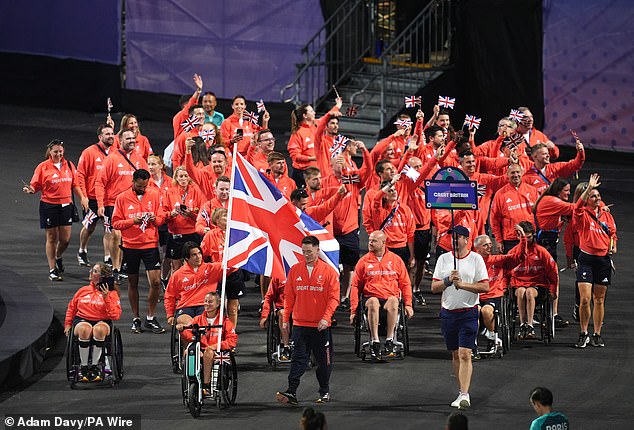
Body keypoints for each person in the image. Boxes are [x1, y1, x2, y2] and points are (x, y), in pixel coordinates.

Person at [276, 236, 340, 406]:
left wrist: (326, 318)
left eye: (310, 252)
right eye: (304, 252)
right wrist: (286, 319)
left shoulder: (329, 272)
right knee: (298, 359)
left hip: (320, 327)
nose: (307, 255)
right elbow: (289, 297)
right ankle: (291, 391)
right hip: (300, 325)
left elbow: (334, 298)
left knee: (323, 362)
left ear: (318, 250)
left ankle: (324, 391)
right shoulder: (295, 270)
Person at [431, 225, 489, 410]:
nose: (454, 241)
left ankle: (465, 393)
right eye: (452, 238)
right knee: (455, 354)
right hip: (448, 313)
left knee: (465, 353)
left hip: (469, 312)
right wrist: (448, 281)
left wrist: (462, 285)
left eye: (458, 238)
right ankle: (461, 390)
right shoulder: (443, 259)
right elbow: (434, 287)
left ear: (467, 239)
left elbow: (485, 287)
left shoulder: (476, 259)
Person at [111, 169, 166, 334]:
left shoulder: (155, 195)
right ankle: (136, 318)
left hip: (150, 244)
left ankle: (150, 317)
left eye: (145, 185)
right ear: (133, 181)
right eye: (140, 185)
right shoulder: (122, 198)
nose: (143, 188)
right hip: (130, 246)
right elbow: (115, 223)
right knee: (132, 283)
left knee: (156, 282)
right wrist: (132, 221)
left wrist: (154, 219)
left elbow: (161, 218)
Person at [23, 139, 86, 281]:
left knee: (65, 239)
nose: (58, 154)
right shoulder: (43, 167)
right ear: (50, 152)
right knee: (52, 237)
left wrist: (82, 197)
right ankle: (52, 269)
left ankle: (58, 256)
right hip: (49, 206)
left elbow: (75, 184)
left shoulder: (69, 165)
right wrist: (31, 190)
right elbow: (35, 185)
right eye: (55, 152)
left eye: (60, 152)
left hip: (66, 206)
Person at [95, 128, 149, 282]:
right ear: (120, 141)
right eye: (128, 139)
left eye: (133, 138)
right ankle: (116, 267)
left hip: (132, 203)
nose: (132, 141)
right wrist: (100, 204)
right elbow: (100, 182)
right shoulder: (112, 159)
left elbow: (148, 182)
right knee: (116, 235)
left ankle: (123, 265)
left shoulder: (139, 159)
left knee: (126, 237)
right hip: (112, 203)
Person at [350, 231, 413, 360]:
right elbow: (355, 286)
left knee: (394, 301)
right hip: (371, 297)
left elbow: (405, 284)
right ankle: (375, 341)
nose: (370, 243)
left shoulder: (396, 260)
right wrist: (353, 310)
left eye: (374, 241)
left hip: (390, 297)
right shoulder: (363, 262)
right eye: (369, 240)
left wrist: (408, 304)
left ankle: (390, 339)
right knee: (373, 301)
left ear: (384, 243)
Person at [573, 174, 617, 348]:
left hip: (603, 260)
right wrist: (588, 187)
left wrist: (614, 245)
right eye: (593, 196)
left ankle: (597, 334)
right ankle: (583, 333)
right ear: (587, 199)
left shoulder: (607, 215)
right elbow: (576, 208)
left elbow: (613, 233)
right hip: (586, 259)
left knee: (599, 300)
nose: (597, 198)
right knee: (584, 299)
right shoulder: (582, 214)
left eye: (598, 196)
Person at [64, 263, 122, 382]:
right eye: (92, 270)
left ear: (102, 277)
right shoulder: (82, 291)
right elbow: (71, 308)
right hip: (82, 319)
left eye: (95, 271)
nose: (91, 272)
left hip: (102, 321)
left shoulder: (112, 293)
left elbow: (115, 316)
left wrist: (106, 298)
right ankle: (84, 367)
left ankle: (95, 367)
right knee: (85, 329)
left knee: (98, 330)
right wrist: (68, 324)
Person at [474, 228, 526, 352]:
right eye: (485, 245)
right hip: (475, 296)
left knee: (486, 311)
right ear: (477, 249)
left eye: (490, 244)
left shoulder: (498, 260)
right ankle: (472, 341)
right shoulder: (472, 262)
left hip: (493, 295)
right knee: (474, 311)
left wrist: (523, 239)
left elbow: (519, 257)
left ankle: (492, 339)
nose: (489, 247)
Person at [179, 291, 238, 396]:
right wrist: (182, 330)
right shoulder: (197, 320)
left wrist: (215, 346)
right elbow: (187, 332)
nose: (207, 304)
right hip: (201, 349)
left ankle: (206, 385)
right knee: (189, 351)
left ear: (218, 303)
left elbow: (232, 340)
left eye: (210, 302)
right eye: (205, 301)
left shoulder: (224, 321)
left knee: (208, 352)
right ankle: (191, 381)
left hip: (218, 351)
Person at [509, 221, 558, 340]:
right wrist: (505, 288)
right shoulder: (513, 252)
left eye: (529, 237)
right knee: (521, 291)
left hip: (537, 286)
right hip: (519, 285)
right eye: (523, 237)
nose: (527, 240)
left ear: (533, 236)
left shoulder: (541, 252)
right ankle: (522, 324)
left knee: (529, 292)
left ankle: (530, 325)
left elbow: (553, 272)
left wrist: (552, 290)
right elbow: (505, 273)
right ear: (518, 236)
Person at [76, 124, 115, 268]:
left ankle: (107, 258)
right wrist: (83, 197)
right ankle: (82, 250)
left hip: (108, 199)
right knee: (90, 226)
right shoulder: (89, 152)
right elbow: (80, 175)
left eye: (112, 133)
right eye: (107, 134)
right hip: (91, 198)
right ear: (100, 137)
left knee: (108, 228)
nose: (110, 136)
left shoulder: (115, 152)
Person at [164, 241, 223, 329]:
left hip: (205, 305)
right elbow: (170, 296)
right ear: (187, 258)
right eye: (194, 255)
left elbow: (232, 265)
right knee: (187, 325)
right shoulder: (177, 275)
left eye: (199, 253)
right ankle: (190, 342)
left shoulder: (212, 268)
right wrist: (170, 315)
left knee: (202, 322)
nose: (198, 257)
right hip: (185, 307)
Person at [490, 163, 539, 253]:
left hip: (530, 237)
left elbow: (539, 213)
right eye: (512, 173)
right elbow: (494, 219)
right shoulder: (500, 194)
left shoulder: (532, 191)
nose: (515, 175)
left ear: (522, 173)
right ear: (507, 175)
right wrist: (499, 240)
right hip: (510, 239)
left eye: (517, 172)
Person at [163, 166, 205, 271]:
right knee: (176, 266)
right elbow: (163, 214)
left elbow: (202, 216)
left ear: (189, 177)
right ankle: (175, 286)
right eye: (180, 176)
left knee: (194, 265)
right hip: (176, 233)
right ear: (176, 178)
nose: (183, 179)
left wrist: (191, 214)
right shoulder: (169, 193)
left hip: (193, 233)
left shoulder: (197, 191)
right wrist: (171, 214)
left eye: (186, 176)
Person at [259, 277, 290, 361]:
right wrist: (264, 316)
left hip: (299, 307)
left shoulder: (303, 275)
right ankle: (286, 347)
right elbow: (268, 297)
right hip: (282, 308)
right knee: (283, 314)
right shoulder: (277, 277)